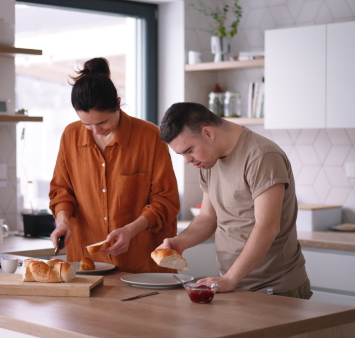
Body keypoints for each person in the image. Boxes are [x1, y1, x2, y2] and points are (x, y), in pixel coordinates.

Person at [157, 102, 312, 299]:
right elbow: (207, 218)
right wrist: (179, 242)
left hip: (274, 287)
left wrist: (231, 278)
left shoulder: (262, 156)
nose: (187, 160)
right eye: (181, 154)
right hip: (235, 283)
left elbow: (267, 226)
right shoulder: (208, 161)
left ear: (208, 133)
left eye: (189, 150)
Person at [48, 57, 180, 273]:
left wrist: (130, 230)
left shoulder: (150, 137)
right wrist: (62, 222)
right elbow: (62, 191)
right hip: (86, 264)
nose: (96, 130)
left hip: (142, 266)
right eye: (87, 124)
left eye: (102, 123)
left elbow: (166, 201)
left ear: (118, 103)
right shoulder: (70, 135)